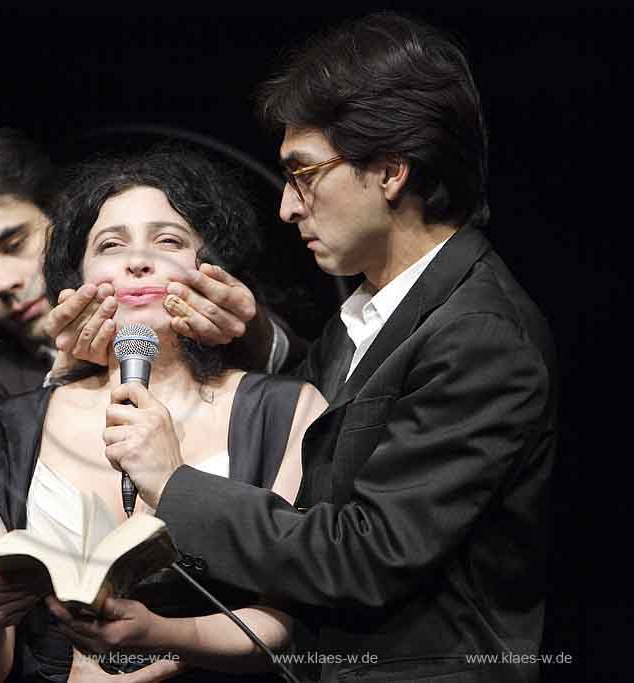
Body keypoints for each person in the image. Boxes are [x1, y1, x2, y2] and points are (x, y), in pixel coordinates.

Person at [68, 12, 559, 683]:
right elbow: (343, 419)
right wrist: (256, 339)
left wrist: (175, 481)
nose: (288, 208)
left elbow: (364, 553)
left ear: (389, 171)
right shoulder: (383, 304)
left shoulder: (481, 335)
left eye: (304, 175)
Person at [0, 147, 327, 682]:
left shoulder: (287, 409)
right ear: (75, 275)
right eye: (110, 245)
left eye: (168, 240)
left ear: (207, 266)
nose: (137, 260)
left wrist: (166, 642)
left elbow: (292, 615)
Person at [0, 128, 306, 406]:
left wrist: (253, 334)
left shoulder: (186, 293)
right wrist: (66, 380)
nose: (4, 282)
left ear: (67, 219)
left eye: (14, 243)